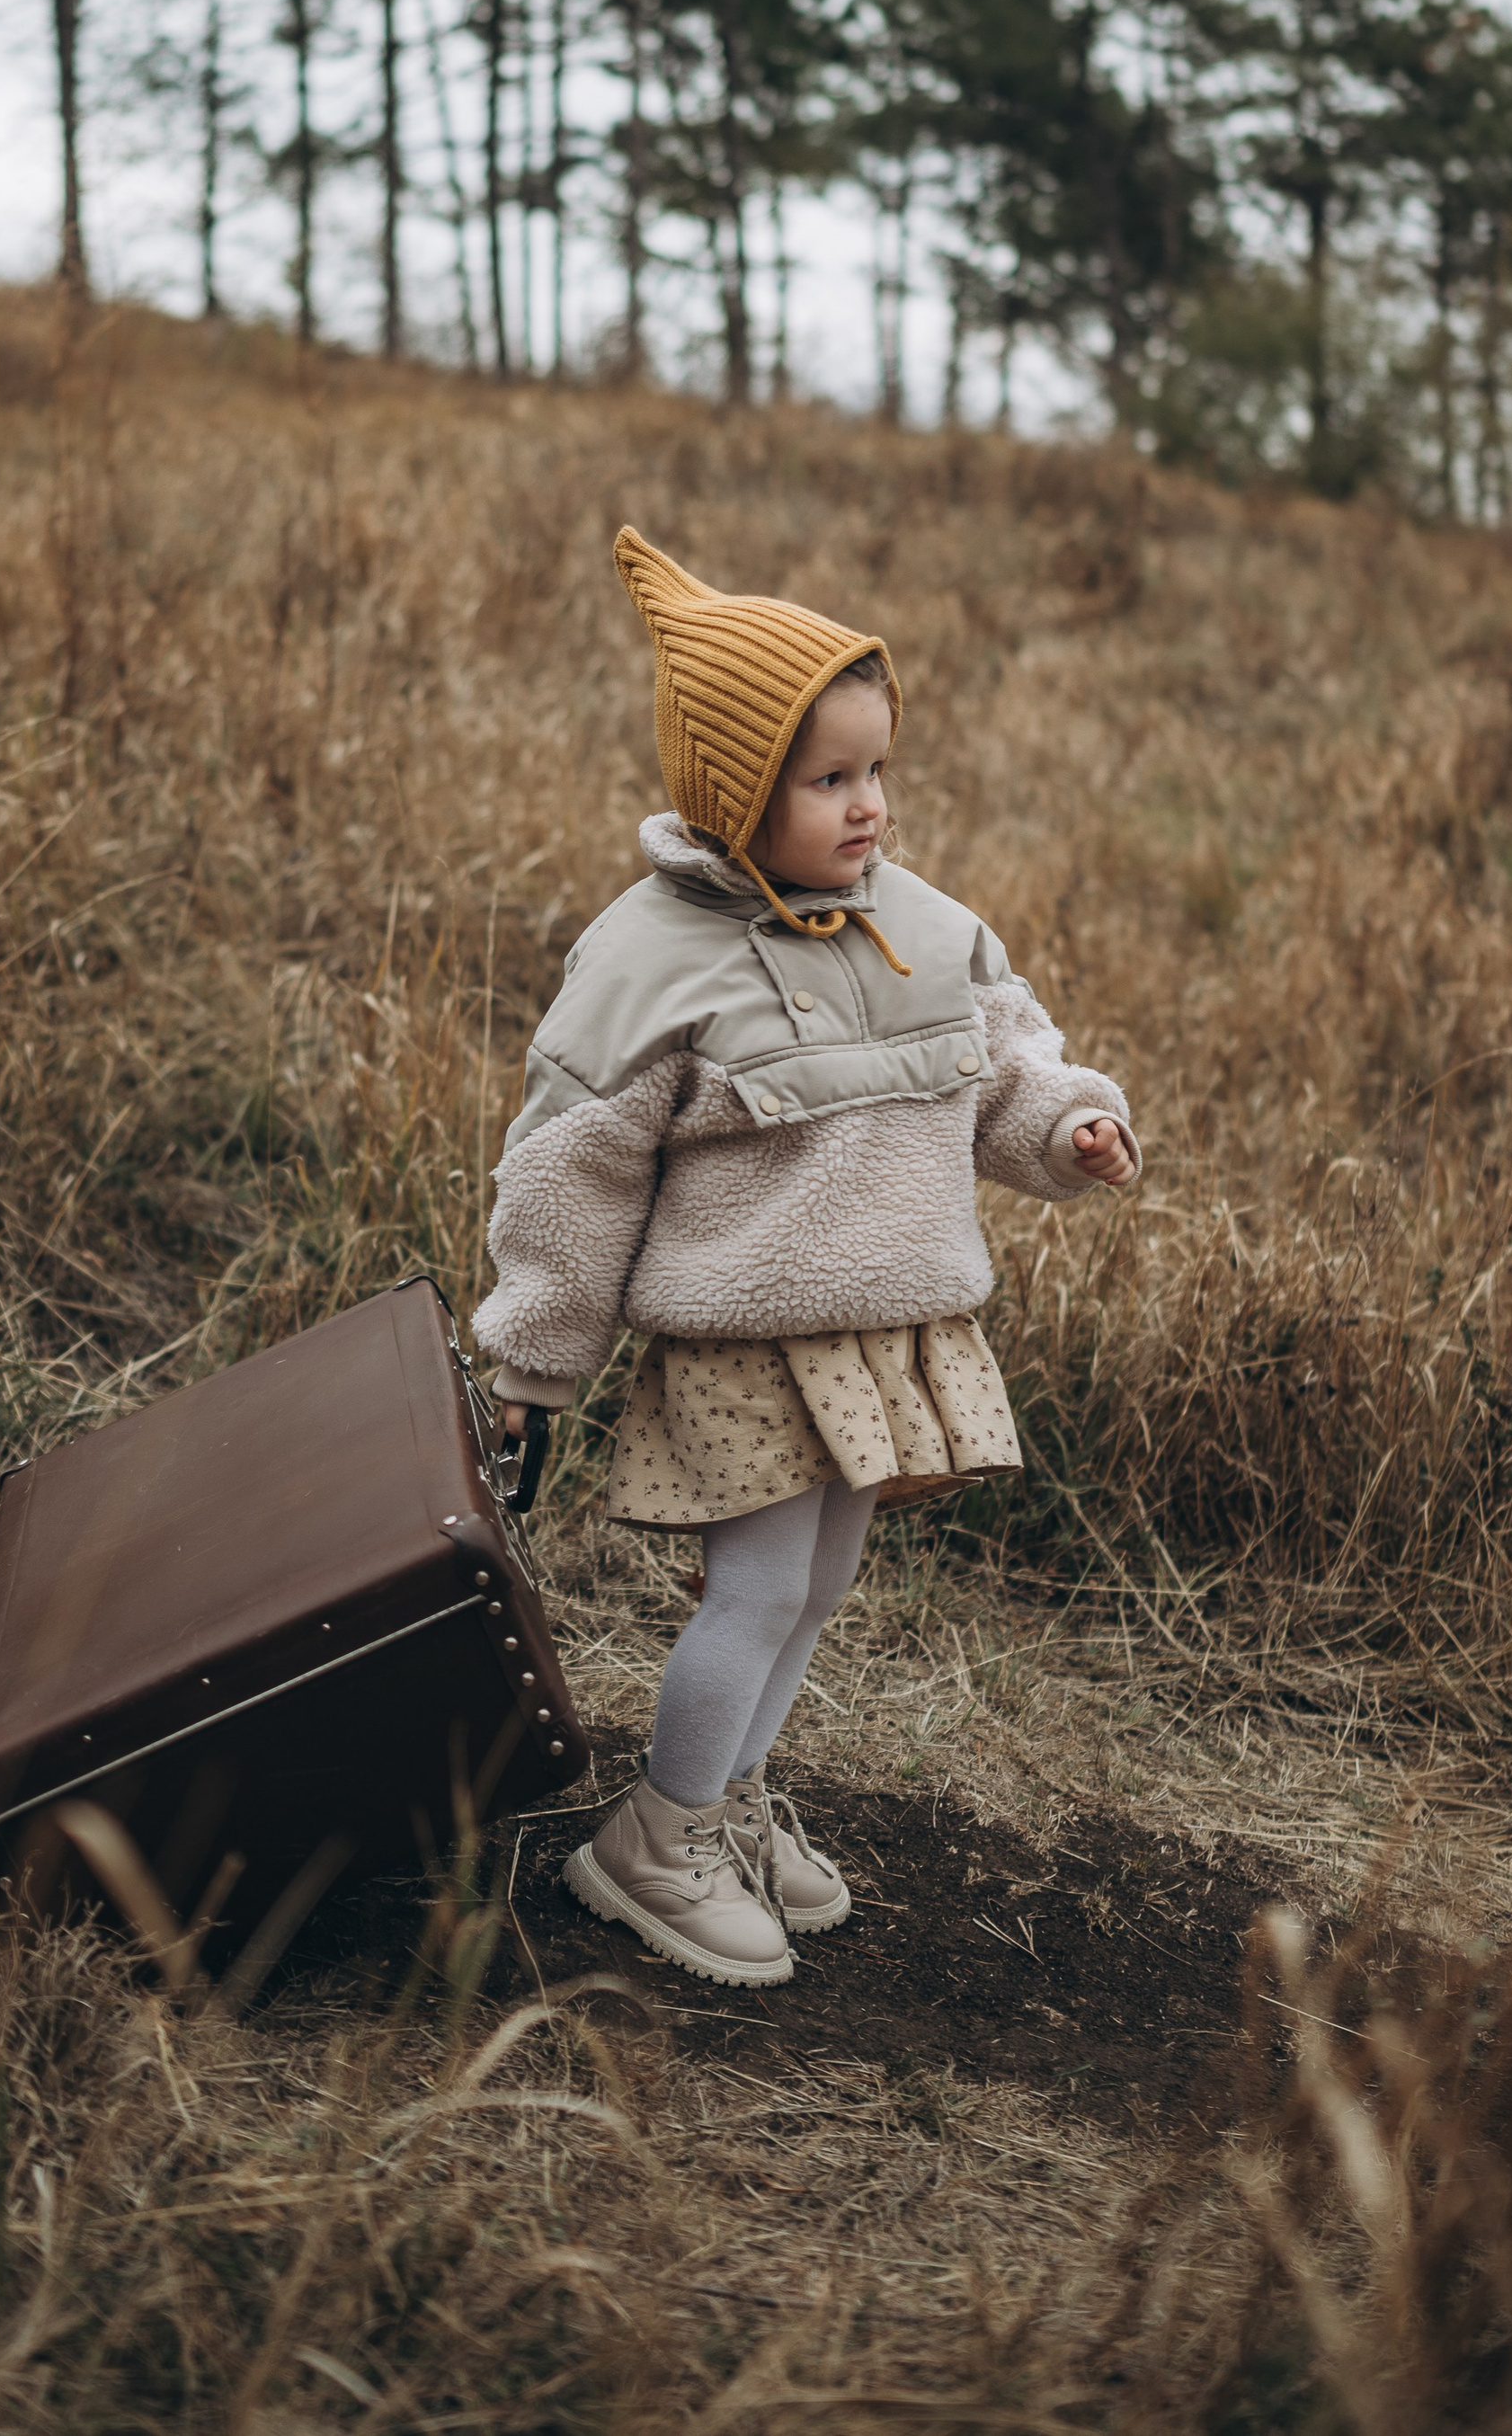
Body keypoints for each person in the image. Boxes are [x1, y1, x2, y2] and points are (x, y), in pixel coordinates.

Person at [473, 529, 1140, 1987]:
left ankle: (724, 1799)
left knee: (821, 1587)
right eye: (829, 780)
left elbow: (1008, 1069)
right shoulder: (651, 959)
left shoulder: (926, 927)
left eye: (879, 772)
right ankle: (658, 1837)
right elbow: (572, 1173)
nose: (871, 809)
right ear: (733, 791)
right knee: (759, 1592)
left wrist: (1073, 1126)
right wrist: (532, 1361)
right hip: (747, 1338)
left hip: (884, 1334)